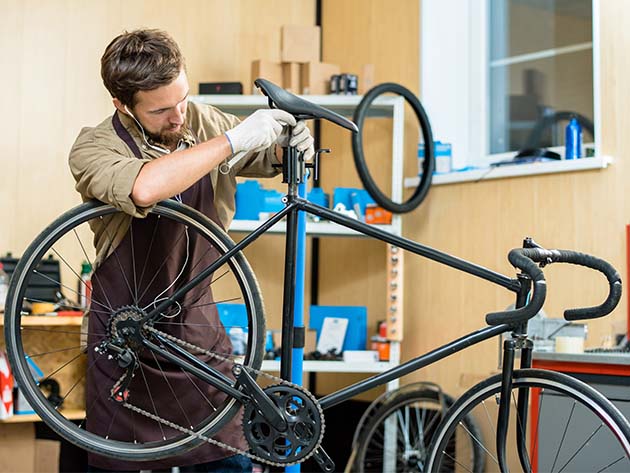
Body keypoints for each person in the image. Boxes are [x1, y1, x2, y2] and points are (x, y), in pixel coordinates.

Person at [68, 29, 314, 472]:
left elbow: (267, 157)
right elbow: (144, 187)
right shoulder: (94, 148)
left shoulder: (201, 120)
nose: (179, 116)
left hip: (198, 337)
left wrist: (291, 146)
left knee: (225, 459)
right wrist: (234, 140)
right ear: (122, 105)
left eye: (183, 98)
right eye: (161, 109)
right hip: (127, 342)